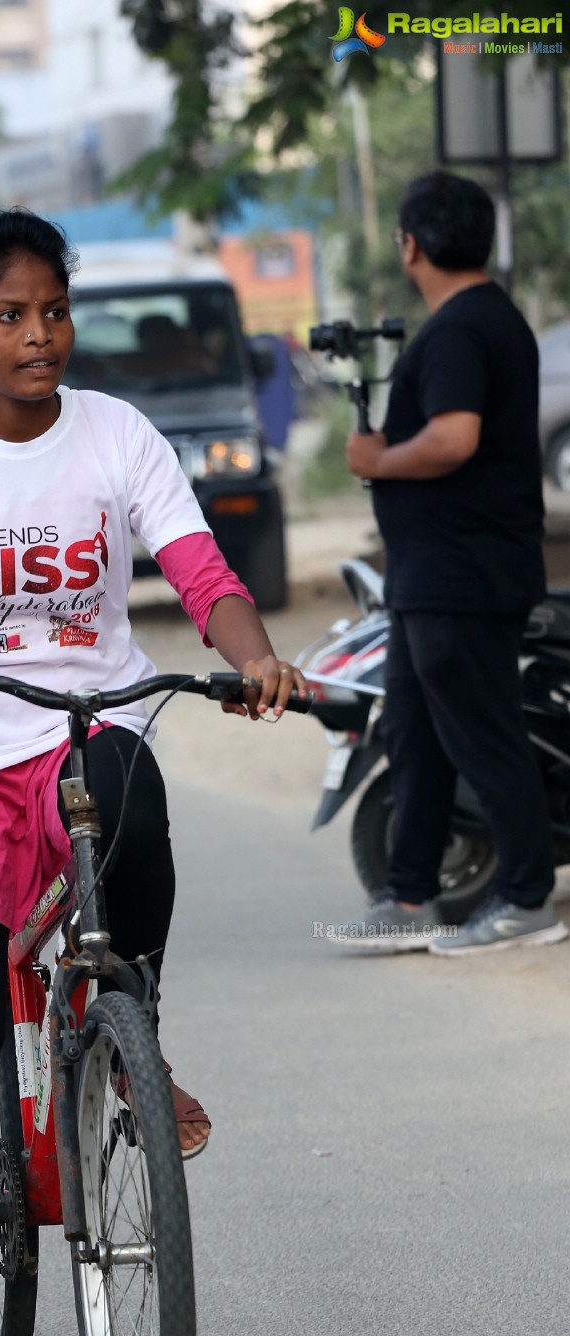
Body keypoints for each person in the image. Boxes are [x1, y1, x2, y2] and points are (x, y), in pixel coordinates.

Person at [0, 209, 308, 1336]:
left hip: (81, 724)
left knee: (132, 786)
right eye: (8, 316)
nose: (39, 336)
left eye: (53, 312)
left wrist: (253, 659)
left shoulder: (118, 434)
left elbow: (202, 571)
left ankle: (135, 1035)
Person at [343, 170, 566, 956]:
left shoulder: (464, 328)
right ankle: (410, 898)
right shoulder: (480, 318)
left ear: (411, 244)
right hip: (431, 576)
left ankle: (526, 896)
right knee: (415, 732)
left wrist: (377, 455)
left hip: (462, 574)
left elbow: (453, 439)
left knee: (480, 732)